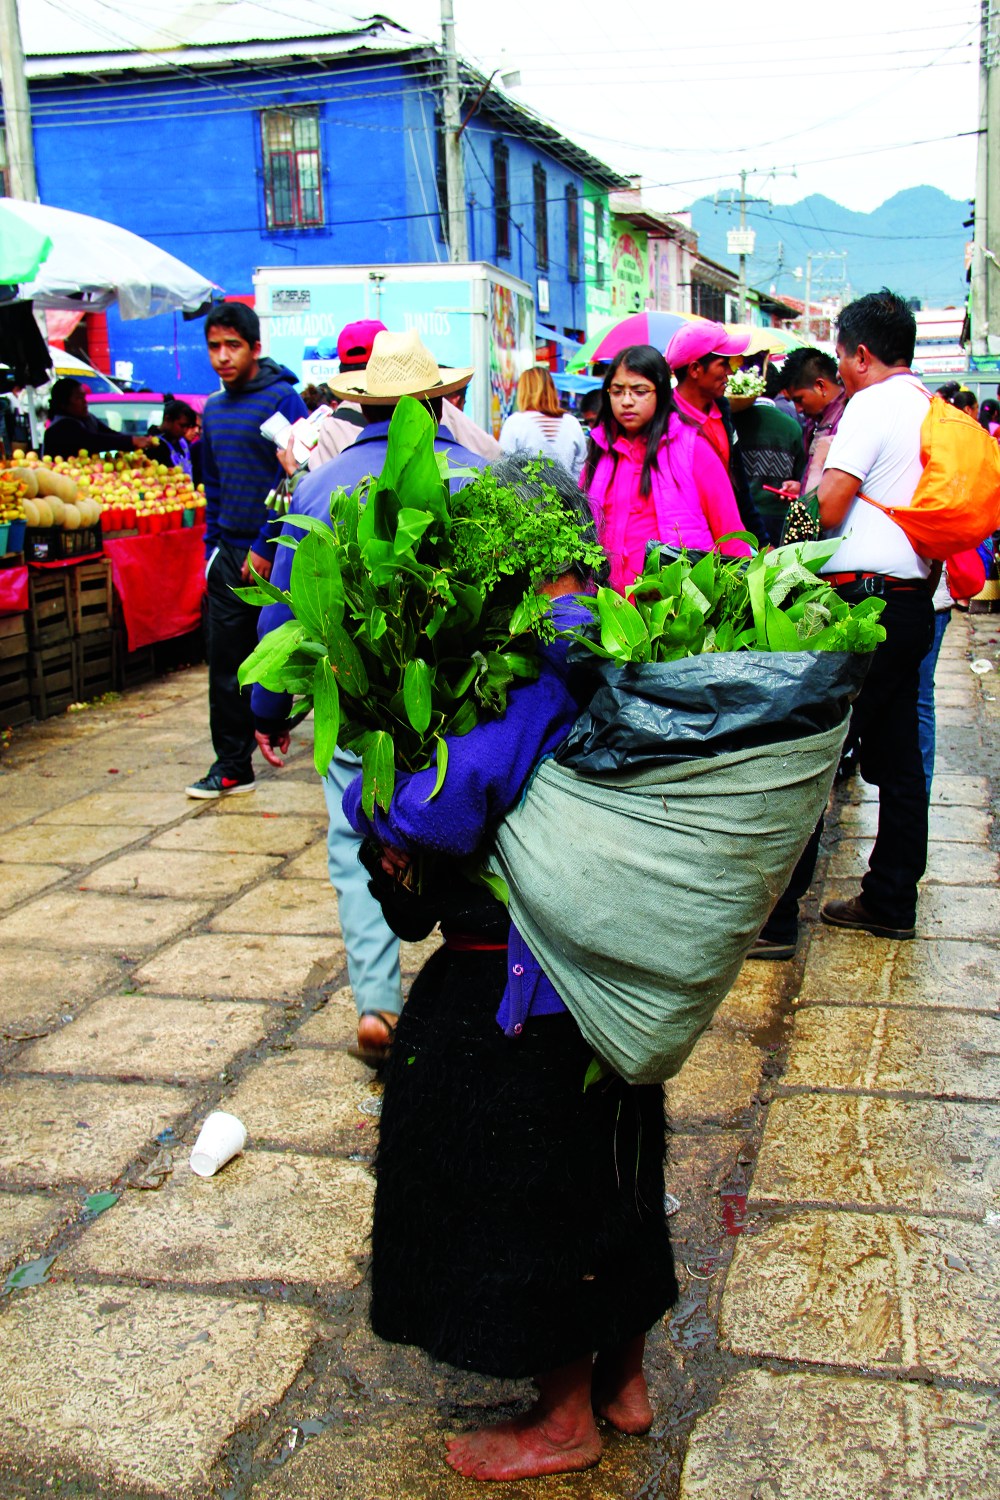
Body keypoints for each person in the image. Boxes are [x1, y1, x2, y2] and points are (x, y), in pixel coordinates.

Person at [342, 458, 677, 1480]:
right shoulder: (621, 633)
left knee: (527, 1184)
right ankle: (623, 1381)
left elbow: (443, 808)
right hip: (608, 977)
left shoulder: (538, 659)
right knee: (616, 1168)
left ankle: (562, 1415)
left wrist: (372, 804)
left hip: (517, 987)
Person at [251, 330, 490, 1067]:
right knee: (480, 843)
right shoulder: (477, 475)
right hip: (464, 704)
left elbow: (285, 610)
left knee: (358, 845)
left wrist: (267, 710)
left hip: (359, 705)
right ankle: (480, 995)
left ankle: (379, 1005)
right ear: (440, 398)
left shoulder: (320, 484)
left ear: (367, 406)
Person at [754, 290, 935, 957]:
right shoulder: (927, 406)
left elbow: (828, 508)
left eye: (841, 357)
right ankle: (891, 899)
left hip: (866, 603)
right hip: (913, 600)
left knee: (815, 749)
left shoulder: (872, 404)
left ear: (860, 354)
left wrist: (783, 544)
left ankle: (774, 921)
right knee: (898, 759)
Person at [186, 302, 307, 800]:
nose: (222, 356)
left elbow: (301, 480)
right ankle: (232, 764)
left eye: (232, 345)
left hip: (276, 557)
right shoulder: (212, 411)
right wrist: (213, 551)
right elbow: (212, 487)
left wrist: (267, 545)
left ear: (255, 348)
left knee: (282, 656)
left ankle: (286, 731)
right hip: (228, 556)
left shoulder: (284, 402)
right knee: (224, 664)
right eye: (214, 346)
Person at [582, 344, 750, 595]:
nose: (626, 401)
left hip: (679, 614)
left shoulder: (693, 448)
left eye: (639, 391)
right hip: (611, 611)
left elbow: (731, 535)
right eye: (617, 391)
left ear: (661, 392)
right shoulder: (600, 451)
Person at [664, 321, 766, 543]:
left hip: (730, 542)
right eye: (723, 364)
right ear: (695, 370)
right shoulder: (663, 423)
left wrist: (761, 539)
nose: (730, 372)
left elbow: (739, 486)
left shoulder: (723, 412)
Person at [729, 368, 806, 546]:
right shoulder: (792, 426)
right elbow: (799, 474)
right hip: (780, 518)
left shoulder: (733, 422)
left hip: (741, 519)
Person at [777, 347, 849, 499]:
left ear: (820, 386)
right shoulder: (817, 420)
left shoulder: (848, 417)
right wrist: (802, 488)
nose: (798, 409)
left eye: (799, 399)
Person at [499, 366, 588, 479]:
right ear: (551, 389)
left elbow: (504, 469)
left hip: (525, 495)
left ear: (523, 391)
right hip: (569, 495)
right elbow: (581, 472)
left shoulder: (515, 422)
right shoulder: (572, 423)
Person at [42, 377, 154, 460]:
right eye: (78, 398)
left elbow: (109, 433)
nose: (85, 401)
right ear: (64, 404)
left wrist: (136, 440)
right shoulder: (62, 427)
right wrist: (130, 441)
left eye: (84, 396)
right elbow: (93, 440)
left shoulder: (88, 418)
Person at [150, 399, 197, 475]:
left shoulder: (183, 443)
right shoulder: (152, 445)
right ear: (167, 419)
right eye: (182, 426)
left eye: (188, 426)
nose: (185, 430)